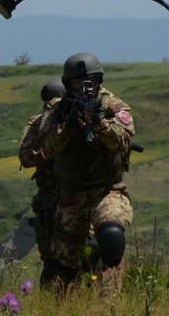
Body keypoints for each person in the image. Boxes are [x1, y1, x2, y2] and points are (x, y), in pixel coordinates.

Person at [18, 52, 135, 294]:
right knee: (63, 268)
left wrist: (101, 124)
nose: (83, 87)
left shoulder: (113, 107)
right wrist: (66, 128)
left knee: (111, 237)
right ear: (67, 83)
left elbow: (122, 141)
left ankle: (109, 305)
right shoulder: (57, 112)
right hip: (70, 195)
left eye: (89, 81)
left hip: (107, 190)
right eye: (77, 83)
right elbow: (36, 154)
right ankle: (62, 315)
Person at [25, 78, 65, 265]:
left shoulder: (82, 121)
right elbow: (26, 157)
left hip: (77, 194)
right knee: (51, 258)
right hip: (50, 196)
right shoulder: (40, 124)